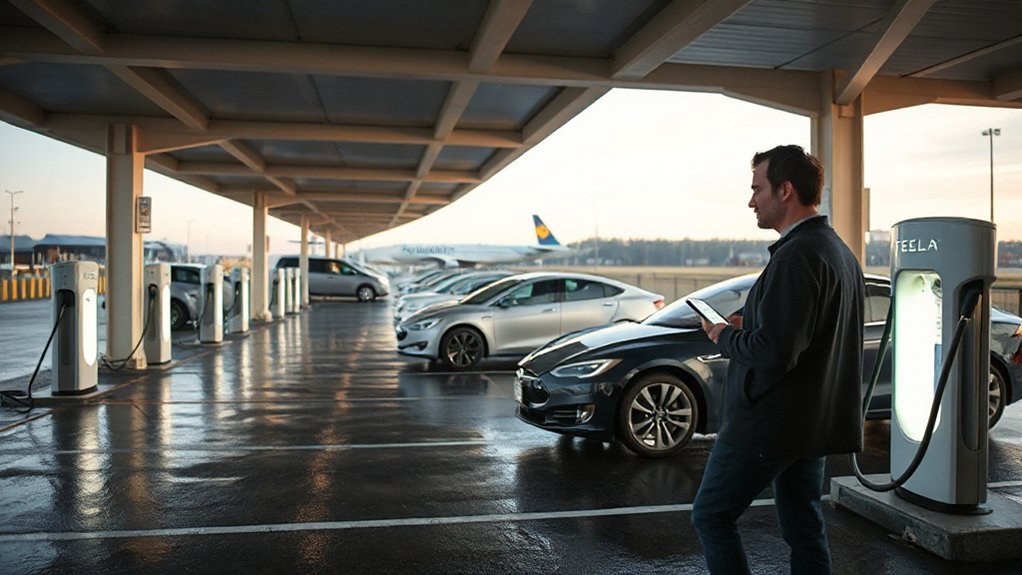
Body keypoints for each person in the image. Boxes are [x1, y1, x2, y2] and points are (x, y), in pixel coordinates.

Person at [690, 145, 865, 574]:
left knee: (711, 515)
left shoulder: (797, 255)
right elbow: (802, 331)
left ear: (785, 190)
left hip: (769, 424)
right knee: (805, 527)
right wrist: (750, 320)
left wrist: (724, 335)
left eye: (757, 189)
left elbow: (775, 352)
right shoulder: (836, 250)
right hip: (810, 424)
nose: (751, 201)